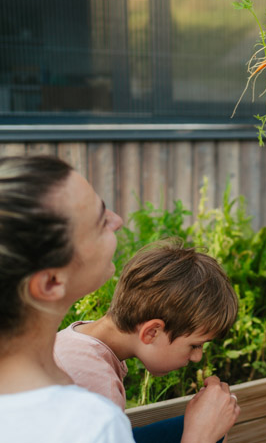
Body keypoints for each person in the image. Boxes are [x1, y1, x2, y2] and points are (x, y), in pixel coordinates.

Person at [0, 155, 239, 443]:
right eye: (99, 221)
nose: (118, 220)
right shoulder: (93, 417)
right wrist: (199, 437)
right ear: (51, 282)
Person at [54, 238, 239, 442]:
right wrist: (199, 437)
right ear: (152, 332)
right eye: (195, 345)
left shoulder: (81, 340)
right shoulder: (96, 385)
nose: (197, 357)